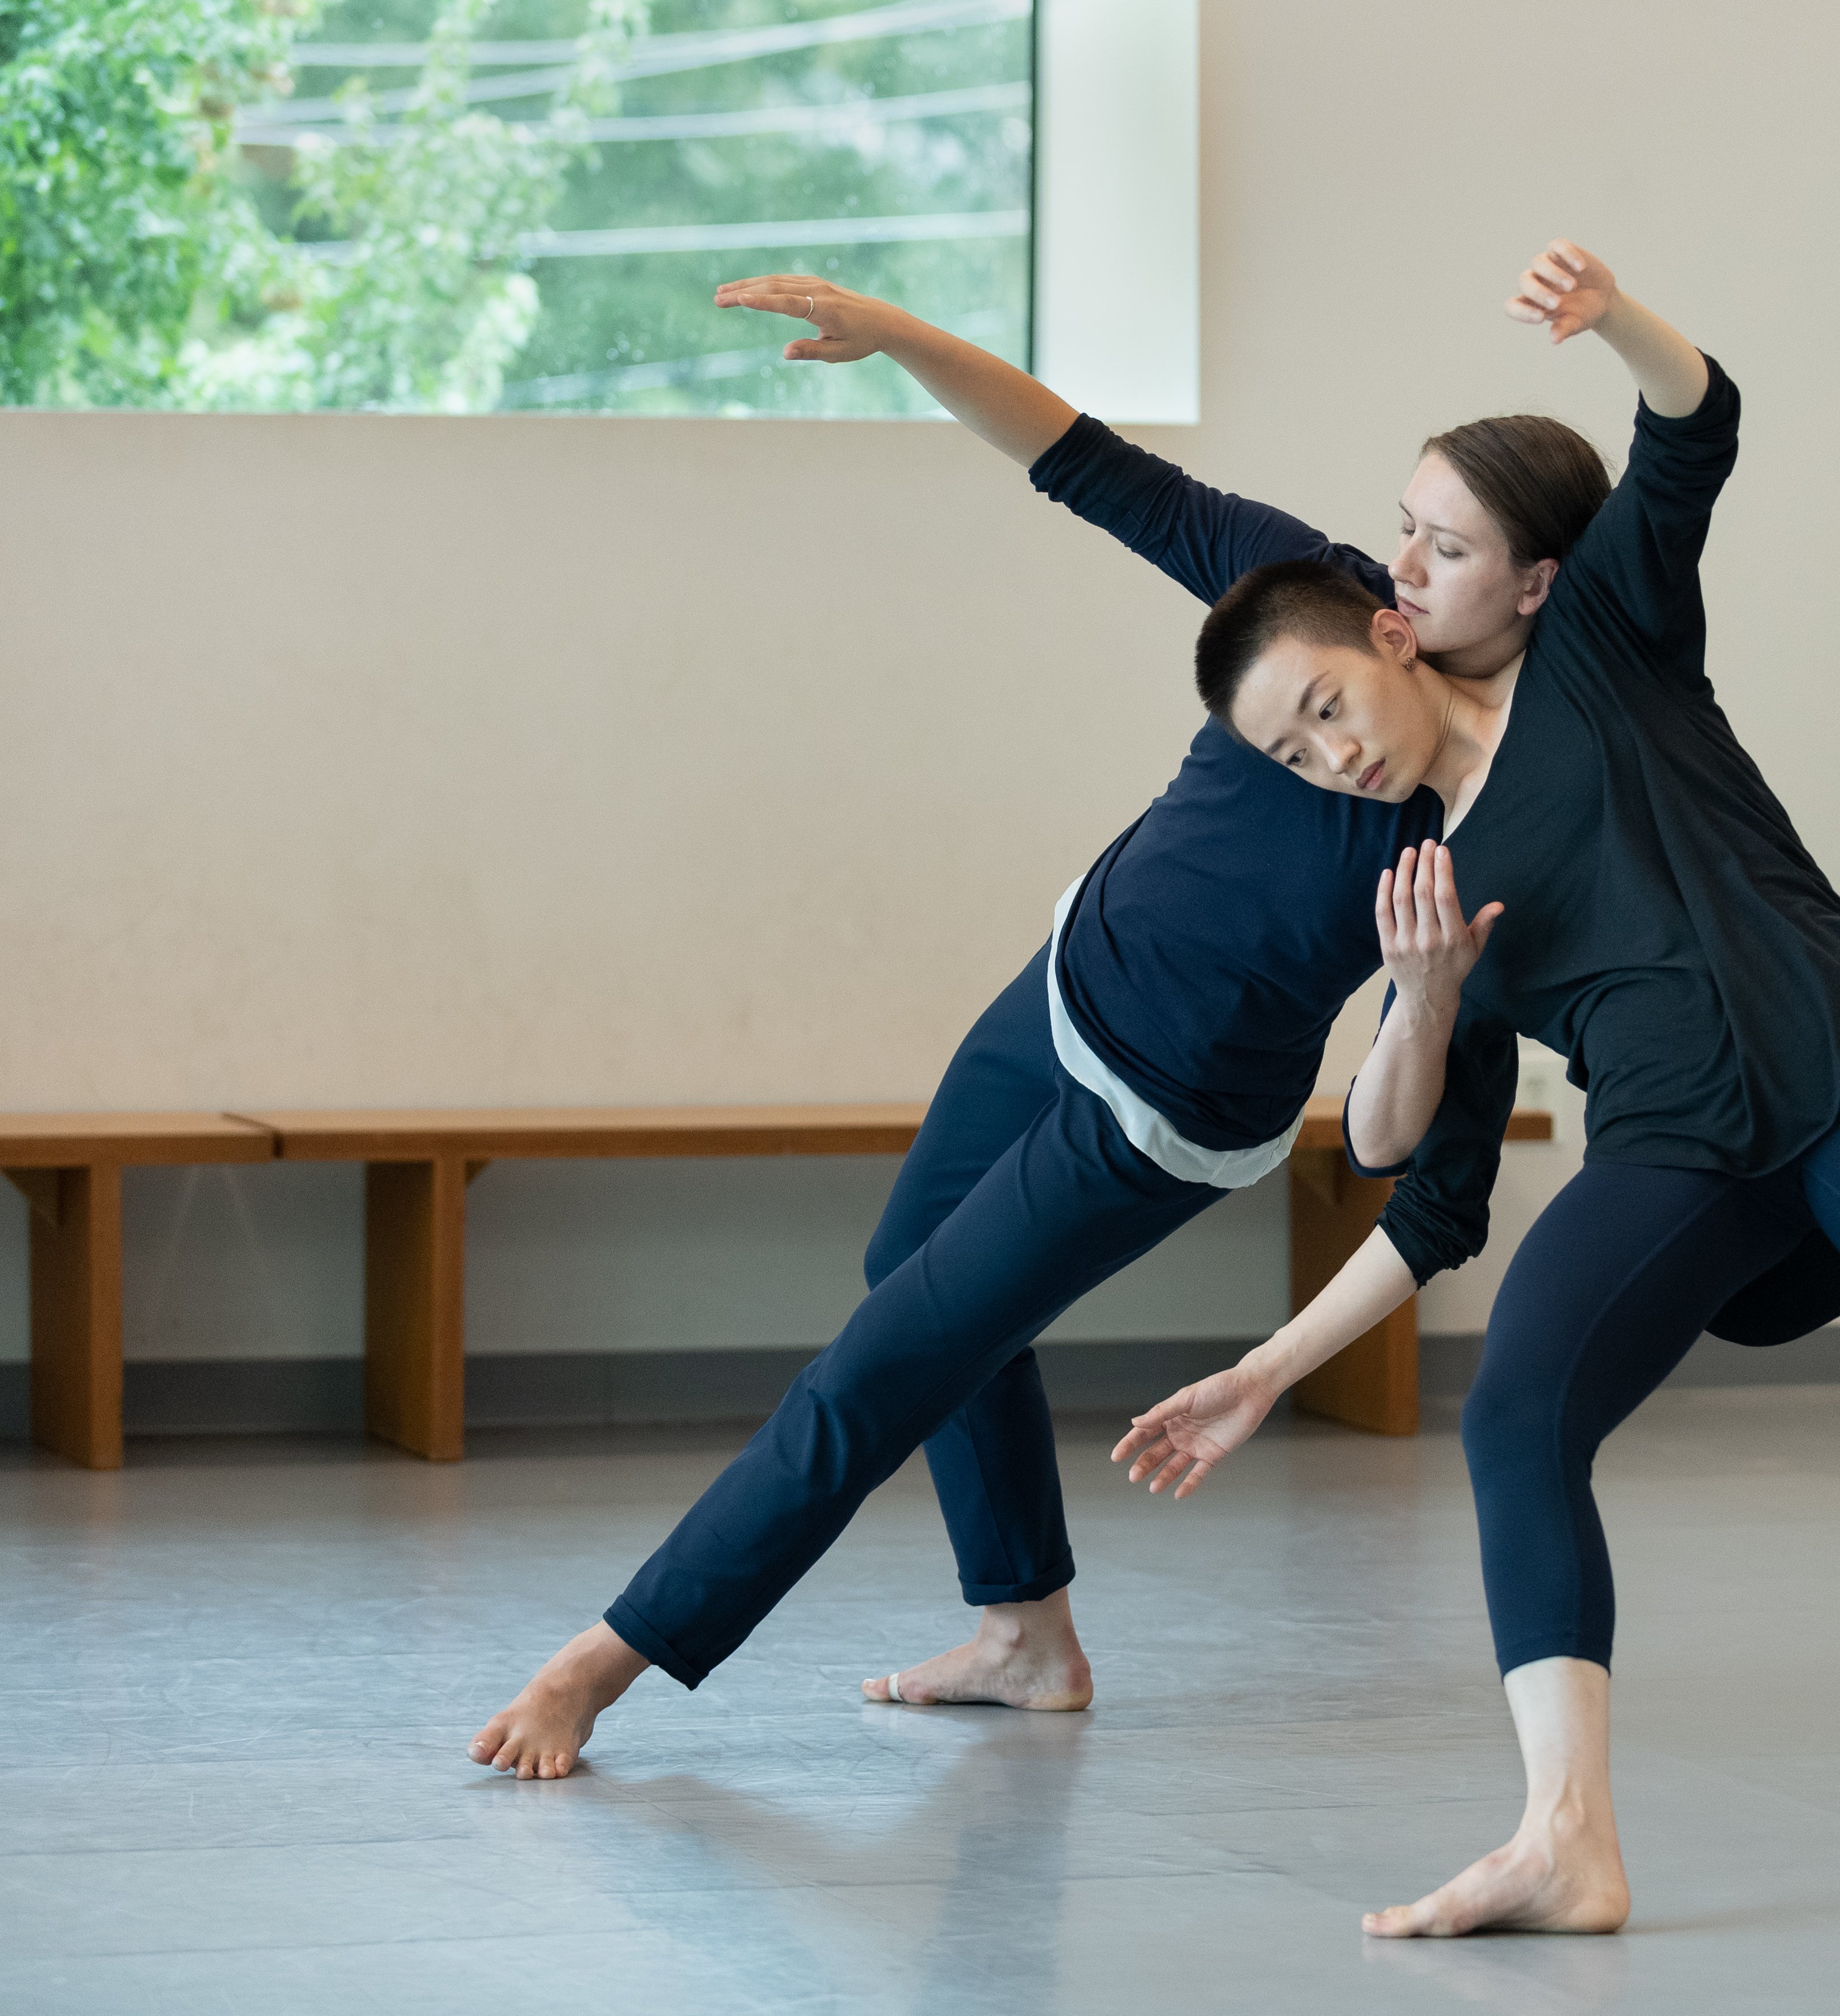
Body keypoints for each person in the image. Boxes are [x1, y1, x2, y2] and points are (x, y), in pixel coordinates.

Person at [1112, 240, 1840, 1933]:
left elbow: (1694, 427)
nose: (1405, 567)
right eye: (1401, 537)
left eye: (1442, 542)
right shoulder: (1414, 870)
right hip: (1677, 1158)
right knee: (1515, 1409)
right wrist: (1406, 1038)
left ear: (1534, 582)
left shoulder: (1617, 644)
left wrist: (1618, 323)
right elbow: (1398, 1161)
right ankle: (1565, 1832)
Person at [462, 279, 1589, 1777]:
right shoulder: (1297, 591)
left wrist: (1431, 996)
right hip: (1060, 985)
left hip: (1157, 1123)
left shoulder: (1464, 830)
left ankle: (604, 1661)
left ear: (1523, 584)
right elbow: (1091, 465)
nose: (1332, 755)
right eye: (1297, 728)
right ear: (1379, 612)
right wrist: (905, 335)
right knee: (905, 1276)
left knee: (887, 1358)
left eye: (1453, 548)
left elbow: (1392, 1138)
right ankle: (1028, 1636)